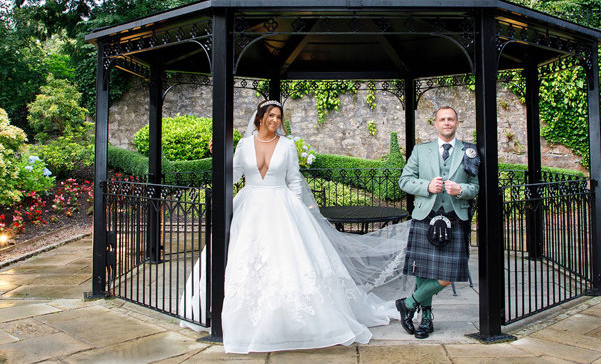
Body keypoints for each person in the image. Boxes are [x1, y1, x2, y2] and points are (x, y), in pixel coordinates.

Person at [180, 100, 408, 353]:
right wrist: (217, 157)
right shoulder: (244, 145)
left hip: (282, 206)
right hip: (250, 206)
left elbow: (294, 181)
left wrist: (301, 212)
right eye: (271, 116)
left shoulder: (287, 146)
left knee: (288, 261)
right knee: (246, 259)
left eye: (279, 117)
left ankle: (295, 322)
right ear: (259, 118)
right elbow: (233, 177)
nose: (275, 121)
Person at [395, 106, 479, 339]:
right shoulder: (421, 151)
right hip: (426, 215)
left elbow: (476, 186)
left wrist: (461, 189)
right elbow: (405, 180)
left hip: (454, 217)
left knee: (449, 273)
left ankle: (409, 303)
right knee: (424, 271)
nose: (446, 123)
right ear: (435, 124)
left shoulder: (468, 151)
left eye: (450, 119)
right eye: (442, 119)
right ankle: (426, 318)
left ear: (457, 122)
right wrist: (426, 187)